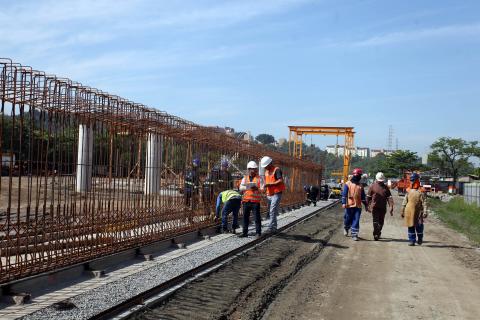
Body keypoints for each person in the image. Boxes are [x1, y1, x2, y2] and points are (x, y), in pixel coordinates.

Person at [239, 161, 264, 238]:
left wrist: (257, 188)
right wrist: (247, 187)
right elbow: (240, 188)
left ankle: (258, 233)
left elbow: (263, 189)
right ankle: (244, 233)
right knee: (245, 218)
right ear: (248, 169)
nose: (253, 171)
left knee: (257, 218)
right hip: (246, 201)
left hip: (255, 202)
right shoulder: (245, 178)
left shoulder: (260, 178)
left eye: (255, 169)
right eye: (252, 169)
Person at [401, 172, 427, 246]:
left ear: (417, 180)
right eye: (411, 180)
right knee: (410, 226)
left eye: (413, 180)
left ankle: (420, 239)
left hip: (419, 212)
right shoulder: (408, 190)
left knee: (419, 226)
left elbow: (424, 202)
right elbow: (404, 202)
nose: (411, 181)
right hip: (409, 212)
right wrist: (402, 211)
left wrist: (425, 212)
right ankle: (412, 241)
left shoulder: (421, 190)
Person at [342, 168, 368, 241]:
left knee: (356, 220)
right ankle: (346, 228)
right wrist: (343, 203)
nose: (359, 177)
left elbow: (363, 197)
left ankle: (354, 234)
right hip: (349, 205)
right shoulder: (348, 184)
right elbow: (344, 194)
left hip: (358, 206)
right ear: (355, 175)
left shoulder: (360, 186)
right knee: (348, 218)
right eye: (358, 175)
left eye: (359, 175)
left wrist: (366, 205)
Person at [261, 156, 285, 233]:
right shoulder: (266, 172)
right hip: (269, 193)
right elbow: (267, 182)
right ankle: (273, 227)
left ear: (270, 164)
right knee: (270, 210)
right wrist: (265, 188)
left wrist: (270, 185)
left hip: (276, 193)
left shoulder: (276, 170)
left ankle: (272, 227)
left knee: (272, 210)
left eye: (266, 166)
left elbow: (280, 181)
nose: (265, 168)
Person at [367, 172, 394, 240]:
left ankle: (377, 232)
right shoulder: (372, 186)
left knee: (381, 221)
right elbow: (368, 197)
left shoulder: (385, 187)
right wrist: (368, 206)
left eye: (381, 181)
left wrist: (391, 206)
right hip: (375, 207)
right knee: (375, 221)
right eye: (379, 181)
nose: (380, 182)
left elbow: (389, 197)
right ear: (377, 179)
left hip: (382, 207)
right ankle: (376, 234)